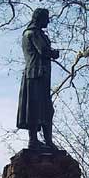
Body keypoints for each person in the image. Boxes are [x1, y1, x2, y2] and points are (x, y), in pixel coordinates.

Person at [17, 8, 59, 150]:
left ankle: (47, 141)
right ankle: (34, 140)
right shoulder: (32, 33)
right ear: (39, 18)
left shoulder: (37, 33)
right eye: (46, 18)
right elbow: (44, 50)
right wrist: (54, 53)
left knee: (46, 109)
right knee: (34, 109)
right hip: (35, 75)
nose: (48, 21)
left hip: (41, 76)